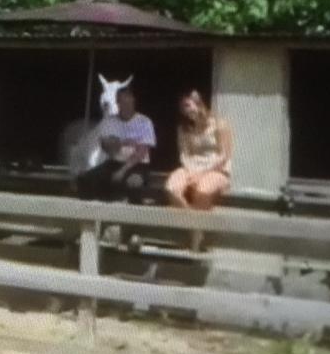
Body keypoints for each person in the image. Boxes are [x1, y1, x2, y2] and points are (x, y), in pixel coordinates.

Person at [165, 90, 233, 249]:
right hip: (191, 167)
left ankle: (195, 236)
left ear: (199, 103)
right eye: (183, 107)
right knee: (171, 188)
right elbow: (184, 154)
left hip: (217, 169)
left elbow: (224, 156)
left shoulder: (220, 125)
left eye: (188, 105)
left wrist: (202, 174)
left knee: (202, 191)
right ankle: (195, 229)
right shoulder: (183, 128)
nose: (186, 111)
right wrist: (190, 172)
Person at [76, 84, 156, 203]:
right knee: (84, 179)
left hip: (137, 165)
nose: (126, 106)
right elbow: (108, 148)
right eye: (122, 103)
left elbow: (141, 152)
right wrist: (123, 142)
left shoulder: (144, 122)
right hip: (114, 162)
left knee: (133, 182)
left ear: (133, 102)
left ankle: (134, 212)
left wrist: (122, 170)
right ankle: (91, 212)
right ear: (117, 103)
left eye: (128, 103)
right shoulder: (109, 122)